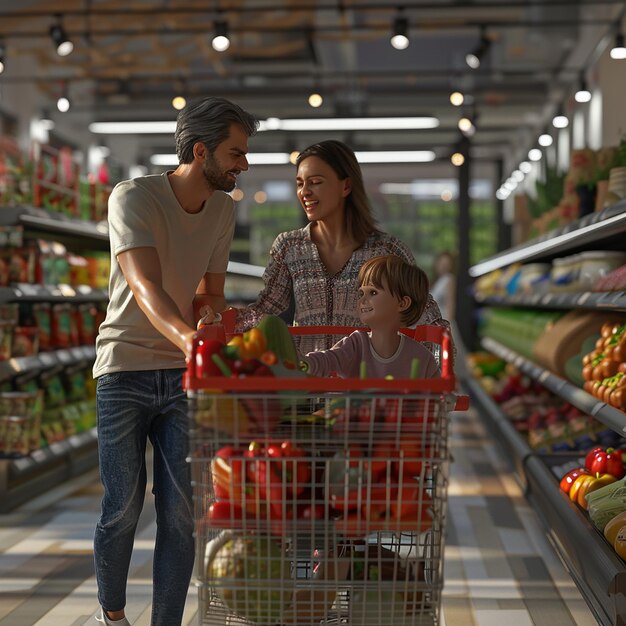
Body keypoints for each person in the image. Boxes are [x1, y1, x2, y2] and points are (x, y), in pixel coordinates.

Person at [91, 97, 258, 626]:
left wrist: (214, 321)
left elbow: (210, 292)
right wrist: (190, 339)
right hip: (124, 367)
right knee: (121, 508)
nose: (244, 165)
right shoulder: (132, 197)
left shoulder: (224, 210)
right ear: (200, 149)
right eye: (235, 153)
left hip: (186, 375)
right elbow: (145, 287)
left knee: (182, 514)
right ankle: (112, 617)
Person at [206, 139, 450, 353]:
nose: (305, 192)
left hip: (367, 386)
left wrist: (434, 369)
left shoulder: (387, 251)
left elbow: (425, 316)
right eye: (300, 183)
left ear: (346, 186)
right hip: (307, 382)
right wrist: (223, 320)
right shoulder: (289, 247)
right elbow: (266, 310)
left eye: (315, 182)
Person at [300, 254, 439, 379]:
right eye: (361, 293)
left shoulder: (421, 357)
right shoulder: (355, 344)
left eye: (373, 292)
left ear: (402, 303)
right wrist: (304, 363)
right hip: (352, 408)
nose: (362, 300)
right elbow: (328, 359)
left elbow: (439, 394)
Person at [430, 251, 456, 323]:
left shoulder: (449, 278)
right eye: (441, 263)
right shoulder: (436, 281)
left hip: (442, 320)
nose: (443, 266)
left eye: (446, 264)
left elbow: (450, 303)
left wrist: (448, 325)